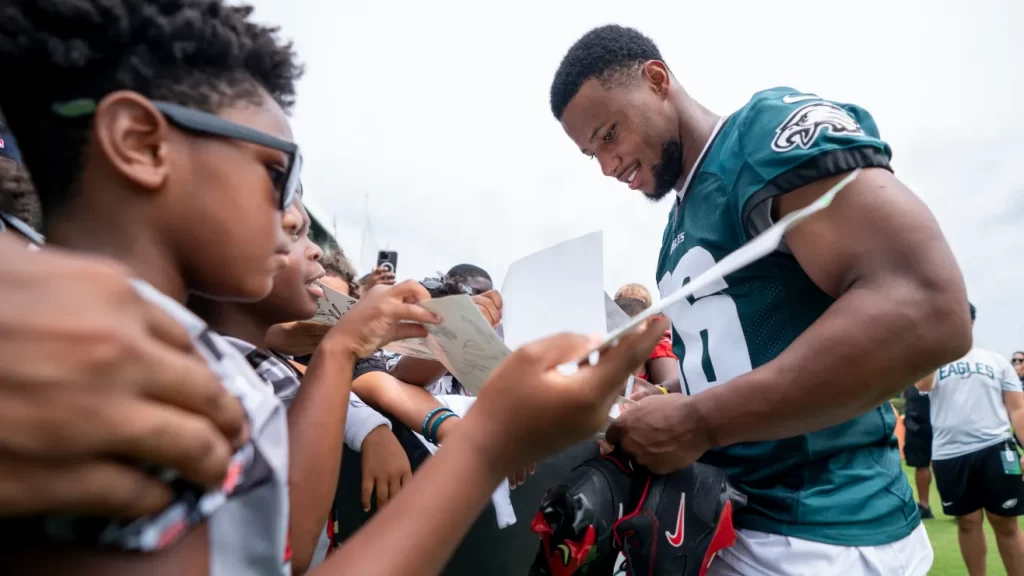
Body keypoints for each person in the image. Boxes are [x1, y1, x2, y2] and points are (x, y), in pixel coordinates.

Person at [551, 24, 971, 575]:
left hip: (823, 532)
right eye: (592, 154)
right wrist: (655, 404)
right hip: (736, 519)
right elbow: (727, 369)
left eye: (609, 134)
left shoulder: (758, 135)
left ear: (656, 80)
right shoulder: (676, 228)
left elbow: (926, 307)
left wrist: (697, 421)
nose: (608, 166)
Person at [189, 199, 410, 574]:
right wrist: (340, 350)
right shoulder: (221, 378)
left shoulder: (260, 358)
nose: (315, 251)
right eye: (294, 233)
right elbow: (285, 548)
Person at [917, 304, 1024, 576]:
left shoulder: (997, 362)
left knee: (1006, 522)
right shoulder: (931, 360)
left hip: (997, 449)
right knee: (967, 521)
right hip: (949, 454)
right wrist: (937, 349)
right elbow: (923, 386)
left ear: (971, 322)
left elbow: (1017, 409)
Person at [902, 383, 935, 519]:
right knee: (921, 464)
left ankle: (924, 505)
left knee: (948, 464)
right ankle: (924, 505)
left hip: (925, 420)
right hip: (917, 422)